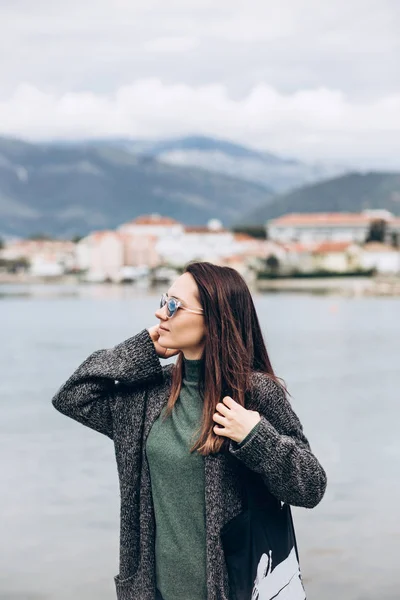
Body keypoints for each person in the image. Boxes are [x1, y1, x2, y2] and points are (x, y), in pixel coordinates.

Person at [51, 261, 327, 600]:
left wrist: (257, 438)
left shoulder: (254, 394)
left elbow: (311, 487)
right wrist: (139, 351)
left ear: (213, 321)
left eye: (173, 306)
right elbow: (71, 396)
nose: (159, 313)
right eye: (163, 300)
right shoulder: (149, 395)